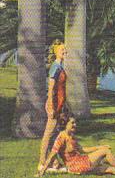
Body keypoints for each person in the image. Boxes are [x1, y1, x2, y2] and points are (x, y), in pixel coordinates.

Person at [37, 117, 115, 177]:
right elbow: (52, 155)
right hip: (76, 165)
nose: (75, 125)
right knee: (106, 151)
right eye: (72, 123)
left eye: (75, 123)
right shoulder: (61, 137)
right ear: (65, 124)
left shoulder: (71, 136)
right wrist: (42, 172)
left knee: (107, 168)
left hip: (80, 162)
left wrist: (100, 146)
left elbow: (82, 149)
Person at [38, 40, 68, 172]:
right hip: (54, 106)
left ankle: (55, 163)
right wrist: (51, 107)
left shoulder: (60, 67)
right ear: (57, 52)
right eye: (63, 50)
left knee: (54, 135)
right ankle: (42, 163)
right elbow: (51, 89)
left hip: (59, 106)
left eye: (65, 50)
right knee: (48, 135)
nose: (65, 52)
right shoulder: (55, 67)